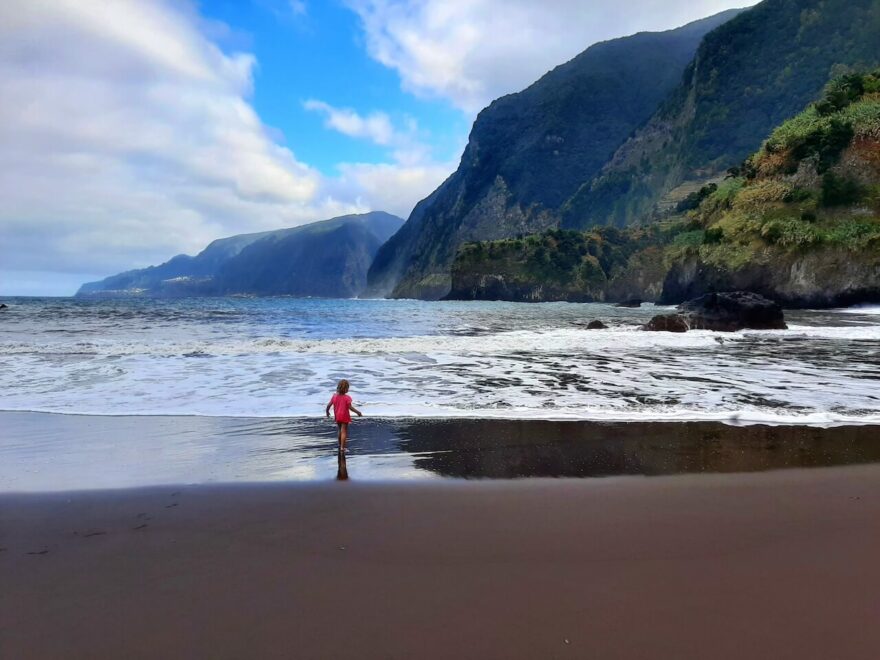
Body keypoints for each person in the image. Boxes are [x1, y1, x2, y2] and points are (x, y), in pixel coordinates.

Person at [325, 379, 362, 453]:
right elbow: (350, 407)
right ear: (346, 389)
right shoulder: (347, 397)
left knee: (340, 430)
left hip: (337, 415)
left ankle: (340, 445)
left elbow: (328, 405)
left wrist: (327, 412)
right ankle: (342, 447)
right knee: (344, 431)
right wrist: (358, 412)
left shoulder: (334, 396)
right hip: (344, 415)